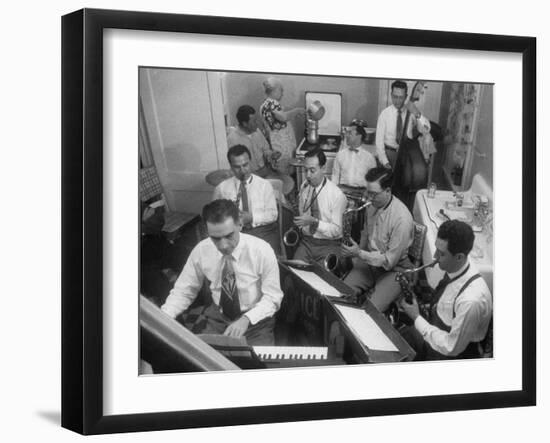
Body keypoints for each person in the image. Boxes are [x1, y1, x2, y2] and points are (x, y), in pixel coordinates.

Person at [161, 199, 283, 345]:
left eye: (229, 236)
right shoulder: (201, 250)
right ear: (207, 231)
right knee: (203, 362)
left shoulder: (262, 250)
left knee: (259, 365)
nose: (223, 245)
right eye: (215, 238)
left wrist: (246, 319)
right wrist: (164, 317)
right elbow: (184, 291)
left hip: (255, 320)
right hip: (218, 318)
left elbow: (273, 297)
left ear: (240, 224)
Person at [399, 220, 493, 360]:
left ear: (459, 257)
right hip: (437, 331)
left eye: (442, 254)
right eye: (436, 249)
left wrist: (416, 317)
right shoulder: (457, 266)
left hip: (452, 355)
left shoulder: (471, 300)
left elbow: (451, 347)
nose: (435, 257)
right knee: (399, 339)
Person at [341, 167, 414, 312]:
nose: (368, 197)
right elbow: (365, 234)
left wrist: (359, 254)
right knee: (342, 293)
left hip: (394, 269)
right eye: (367, 192)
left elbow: (388, 261)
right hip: (369, 262)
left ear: (388, 191)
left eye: (373, 194)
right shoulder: (372, 205)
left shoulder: (402, 219)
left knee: (371, 310)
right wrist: (357, 257)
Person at [213, 144, 280, 255]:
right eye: (237, 167)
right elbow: (214, 218)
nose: (243, 171)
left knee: (266, 259)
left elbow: (273, 215)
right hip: (236, 234)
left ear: (250, 161)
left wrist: (251, 217)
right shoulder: (221, 188)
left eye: (245, 165)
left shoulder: (264, 185)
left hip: (263, 231)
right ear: (230, 166)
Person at [292, 148, 348, 265]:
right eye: (305, 170)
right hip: (307, 242)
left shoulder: (337, 195)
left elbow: (337, 231)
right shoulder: (305, 187)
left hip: (329, 244)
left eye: (312, 170)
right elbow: (303, 213)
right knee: (295, 273)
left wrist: (315, 223)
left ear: (323, 168)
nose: (307, 175)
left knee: (319, 279)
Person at [375, 80, 431, 169]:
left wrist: (417, 113)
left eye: (400, 97)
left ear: (406, 97)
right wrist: (385, 162)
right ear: (391, 95)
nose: (397, 101)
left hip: (407, 155)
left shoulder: (411, 111)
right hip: (389, 154)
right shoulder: (384, 114)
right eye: (395, 97)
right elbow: (379, 142)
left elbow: (426, 129)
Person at [259, 77, 305, 176]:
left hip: (275, 142)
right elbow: (283, 117)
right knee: (286, 172)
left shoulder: (263, 105)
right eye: (281, 90)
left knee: (281, 170)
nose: (283, 93)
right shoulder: (272, 103)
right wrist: (297, 110)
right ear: (274, 90)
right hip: (282, 144)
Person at [226, 105, 275, 178]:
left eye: (257, 120)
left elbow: (266, 149)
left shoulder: (257, 131)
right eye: (254, 121)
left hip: (264, 173)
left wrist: (271, 155)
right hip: (248, 177)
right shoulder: (232, 139)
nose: (257, 123)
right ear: (245, 124)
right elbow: (235, 166)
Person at [332, 119, 377, 188]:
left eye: (350, 133)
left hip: (362, 192)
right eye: (347, 133)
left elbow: (373, 180)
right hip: (343, 191)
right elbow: (335, 177)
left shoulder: (369, 158)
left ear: (359, 136)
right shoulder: (340, 155)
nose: (346, 135)